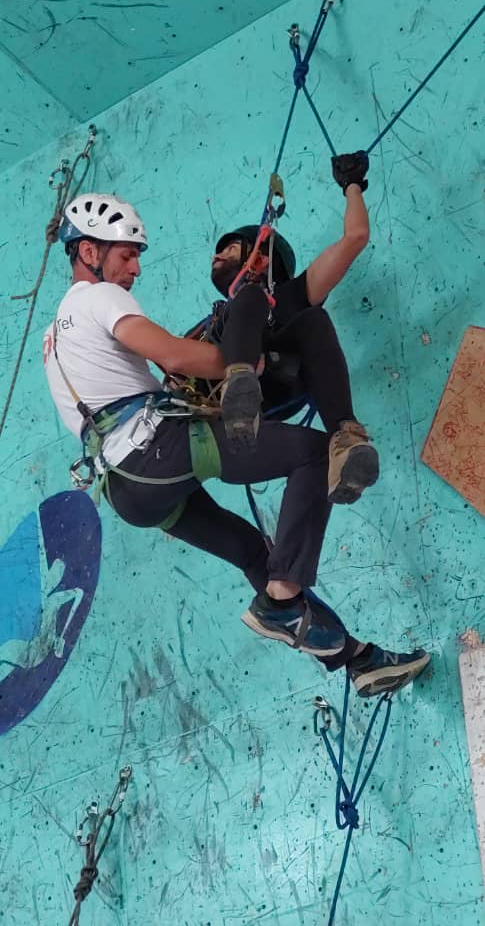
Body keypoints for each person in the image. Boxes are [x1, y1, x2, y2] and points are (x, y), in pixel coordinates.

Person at [43, 192, 430, 698]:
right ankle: (285, 598)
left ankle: (356, 659)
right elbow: (173, 355)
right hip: (156, 450)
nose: (135, 268)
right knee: (316, 454)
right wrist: (241, 365)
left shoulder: (56, 334)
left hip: (126, 491)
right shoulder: (97, 297)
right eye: (126, 254)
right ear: (89, 252)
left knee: (256, 553)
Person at [194, 152, 379, 505]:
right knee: (244, 303)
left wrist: (352, 185)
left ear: (262, 258)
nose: (217, 256)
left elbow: (355, 237)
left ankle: (345, 441)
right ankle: (239, 389)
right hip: (215, 406)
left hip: (275, 386)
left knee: (313, 320)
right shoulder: (212, 323)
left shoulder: (290, 295)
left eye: (230, 249)